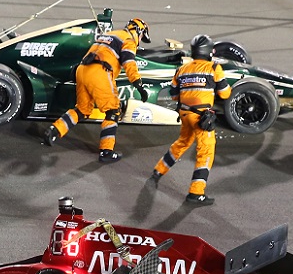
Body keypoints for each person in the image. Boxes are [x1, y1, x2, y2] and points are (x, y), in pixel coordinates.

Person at [41, 17, 151, 162]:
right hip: (100, 72)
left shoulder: (110, 34)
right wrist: (139, 84)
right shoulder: (128, 40)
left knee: (82, 109)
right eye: (142, 36)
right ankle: (106, 152)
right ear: (138, 31)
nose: (141, 39)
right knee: (113, 110)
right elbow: (129, 63)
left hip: (82, 70)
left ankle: (54, 130)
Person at [149, 35, 231, 206]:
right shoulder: (214, 68)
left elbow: (173, 95)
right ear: (209, 51)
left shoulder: (182, 69)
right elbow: (225, 93)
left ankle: (158, 171)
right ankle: (196, 193)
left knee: (182, 142)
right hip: (202, 117)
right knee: (206, 152)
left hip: (185, 114)